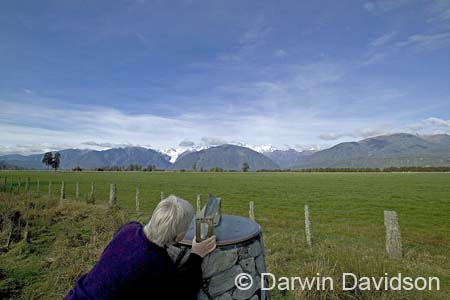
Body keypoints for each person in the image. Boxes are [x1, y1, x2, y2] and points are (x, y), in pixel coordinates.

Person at [65, 195, 216, 300]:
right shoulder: (157, 263)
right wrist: (196, 255)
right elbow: (182, 294)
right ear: (178, 237)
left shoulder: (129, 228)